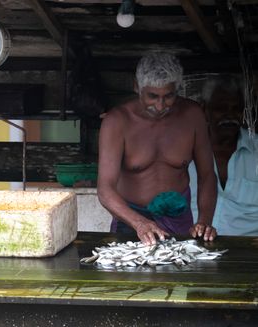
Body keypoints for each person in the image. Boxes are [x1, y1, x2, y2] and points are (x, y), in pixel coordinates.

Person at [97, 52, 218, 245]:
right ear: (137, 87)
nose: (160, 105)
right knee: (128, 274)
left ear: (177, 89)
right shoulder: (117, 121)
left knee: (181, 272)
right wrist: (139, 223)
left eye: (169, 96)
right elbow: (105, 189)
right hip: (131, 219)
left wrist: (204, 221)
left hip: (178, 217)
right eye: (152, 96)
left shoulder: (193, 115)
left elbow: (207, 176)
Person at [189, 75, 258, 235]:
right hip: (191, 247)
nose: (230, 115)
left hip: (249, 250)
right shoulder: (183, 150)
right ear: (205, 110)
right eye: (221, 108)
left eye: (237, 109)